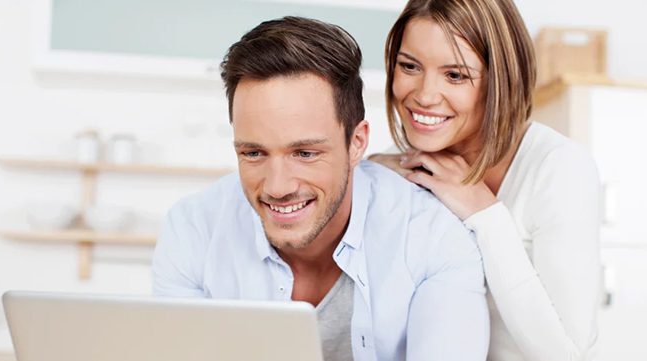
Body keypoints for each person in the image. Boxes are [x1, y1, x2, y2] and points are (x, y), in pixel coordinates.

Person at [152, 16, 489, 361]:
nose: (277, 186)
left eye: (305, 153)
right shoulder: (193, 229)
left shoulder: (433, 239)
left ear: (357, 143)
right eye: (253, 153)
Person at [368, 1, 602, 361]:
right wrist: (370, 170)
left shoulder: (557, 168)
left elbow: (566, 353)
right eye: (409, 66)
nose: (425, 95)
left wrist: (484, 211)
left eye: (456, 75)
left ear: (500, 79)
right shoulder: (405, 165)